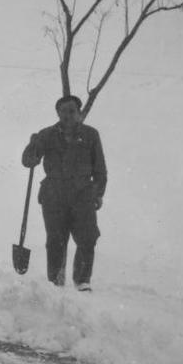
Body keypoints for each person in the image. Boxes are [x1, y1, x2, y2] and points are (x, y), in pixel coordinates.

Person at [21, 95, 107, 291]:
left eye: (72, 111)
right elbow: (28, 161)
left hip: (82, 195)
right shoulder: (47, 134)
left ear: (78, 113)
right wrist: (32, 145)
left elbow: (100, 168)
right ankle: (56, 280)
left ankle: (82, 280)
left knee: (87, 237)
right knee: (55, 240)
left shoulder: (91, 135)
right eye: (63, 111)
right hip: (54, 195)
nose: (68, 115)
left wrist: (98, 193)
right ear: (57, 113)